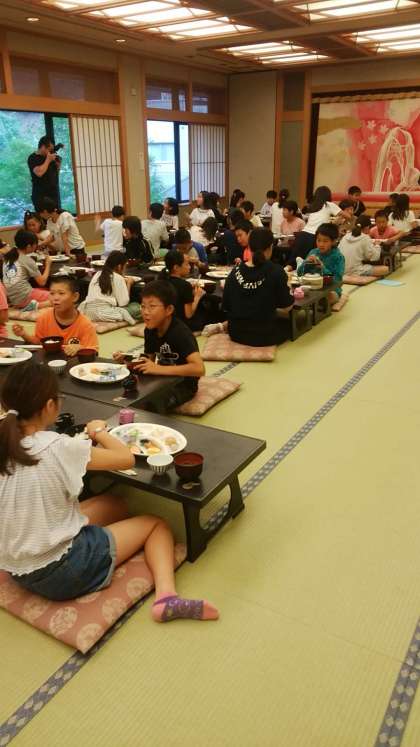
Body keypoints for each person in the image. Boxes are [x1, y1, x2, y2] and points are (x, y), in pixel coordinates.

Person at [0, 362, 218, 621]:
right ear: (49, 406)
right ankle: (167, 599)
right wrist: (99, 432)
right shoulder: (59, 447)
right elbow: (125, 458)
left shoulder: (5, 442)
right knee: (157, 525)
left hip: (17, 567)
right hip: (63, 571)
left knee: (115, 504)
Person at [114, 281, 205, 412]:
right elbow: (149, 359)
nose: (145, 312)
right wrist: (127, 358)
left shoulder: (180, 333)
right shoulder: (150, 330)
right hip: (160, 378)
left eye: (152, 306)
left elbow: (199, 368)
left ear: (169, 310)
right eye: (143, 306)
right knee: (124, 388)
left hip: (182, 385)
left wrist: (158, 369)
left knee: (150, 403)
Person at [222, 228, 293, 346]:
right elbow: (287, 307)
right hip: (264, 335)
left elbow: (226, 306)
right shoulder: (277, 271)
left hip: (235, 333)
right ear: (271, 247)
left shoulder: (235, 271)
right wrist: (288, 286)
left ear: (249, 247)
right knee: (290, 326)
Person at [12, 275, 98, 358]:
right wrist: (23, 334)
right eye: (52, 293)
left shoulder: (85, 324)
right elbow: (38, 343)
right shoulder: (44, 318)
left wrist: (80, 348)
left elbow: (93, 351)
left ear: (75, 297)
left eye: (61, 293)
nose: (55, 298)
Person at [79, 251, 141, 325]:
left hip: (87, 312)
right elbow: (123, 303)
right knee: (136, 307)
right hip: (104, 313)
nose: (125, 269)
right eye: (125, 267)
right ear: (119, 266)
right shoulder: (118, 278)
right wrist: (129, 283)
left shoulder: (97, 274)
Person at [2, 229, 51, 311]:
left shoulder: (8, 257)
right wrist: (48, 263)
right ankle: (33, 306)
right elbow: (42, 282)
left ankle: (30, 304)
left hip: (12, 298)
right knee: (57, 298)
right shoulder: (27, 260)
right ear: (28, 246)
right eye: (35, 244)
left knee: (43, 290)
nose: (36, 246)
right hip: (24, 297)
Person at [297, 223, 344, 304]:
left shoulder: (338, 257)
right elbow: (299, 274)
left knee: (330, 297)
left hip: (330, 290)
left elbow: (338, 280)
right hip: (311, 287)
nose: (321, 244)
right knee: (296, 292)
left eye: (325, 241)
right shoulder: (313, 252)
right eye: (318, 240)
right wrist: (306, 262)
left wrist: (323, 268)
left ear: (333, 241)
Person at [163, 250, 208, 331]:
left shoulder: (163, 280)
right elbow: (189, 315)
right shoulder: (185, 285)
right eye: (187, 264)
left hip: (167, 320)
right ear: (176, 267)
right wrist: (197, 296)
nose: (189, 267)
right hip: (182, 325)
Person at [294, 186, 342, 262]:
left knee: (296, 262)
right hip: (315, 237)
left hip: (303, 235)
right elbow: (347, 215)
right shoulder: (328, 204)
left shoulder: (314, 205)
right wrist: (337, 220)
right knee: (313, 263)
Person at [27, 136, 60, 212]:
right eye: (49, 150)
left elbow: (55, 176)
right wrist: (48, 160)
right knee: (44, 218)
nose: (51, 152)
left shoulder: (50, 158)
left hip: (53, 195)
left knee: (56, 218)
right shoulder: (33, 158)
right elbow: (39, 173)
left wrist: (58, 166)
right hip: (41, 196)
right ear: (43, 147)